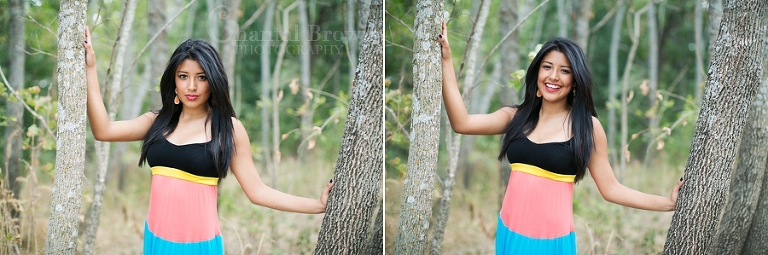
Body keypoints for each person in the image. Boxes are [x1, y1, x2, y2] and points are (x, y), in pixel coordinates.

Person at [437, 22, 684, 254]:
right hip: (509, 233)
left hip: (552, 243)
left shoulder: (587, 127)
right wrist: (446, 59)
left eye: (564, 71)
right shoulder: (516, 117)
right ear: (537, 73)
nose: (553, 76)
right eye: (547, 67)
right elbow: (462, 123)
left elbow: (611, 189)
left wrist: (667, 203)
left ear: (575, 80)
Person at [83, 27, 333, 254]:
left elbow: (257, 191)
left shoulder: (228, 129)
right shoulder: (157, 121)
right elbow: (103, 130)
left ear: (213, 81)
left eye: (201, 77)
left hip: (199, 247)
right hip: (155, 241)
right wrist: (91, 68)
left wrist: (317, 205)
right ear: (174, 81)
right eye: (183, 76)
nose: (191, 86)